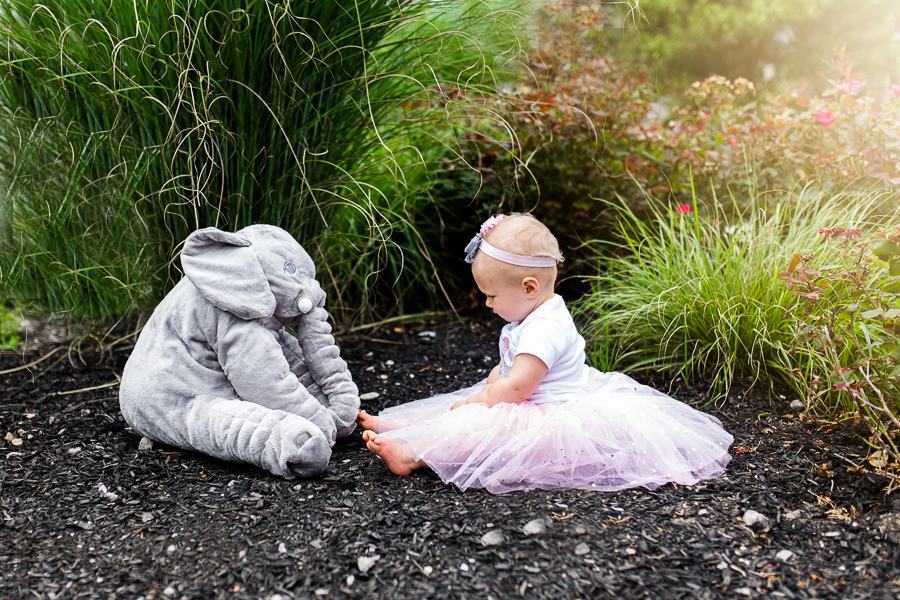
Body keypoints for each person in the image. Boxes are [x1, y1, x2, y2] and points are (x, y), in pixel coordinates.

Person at [357, 213, 733, 493]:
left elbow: (519, 388)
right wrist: (489, 384)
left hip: (549, 412)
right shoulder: (536, 311)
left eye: (490, 295)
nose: (486, 304)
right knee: (464, 406)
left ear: (529, 286)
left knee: (476, 422)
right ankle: (405, 428)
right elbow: (511, 370)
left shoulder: (545, 327)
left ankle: (411, 455)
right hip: (531, 396)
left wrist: (485, 396)